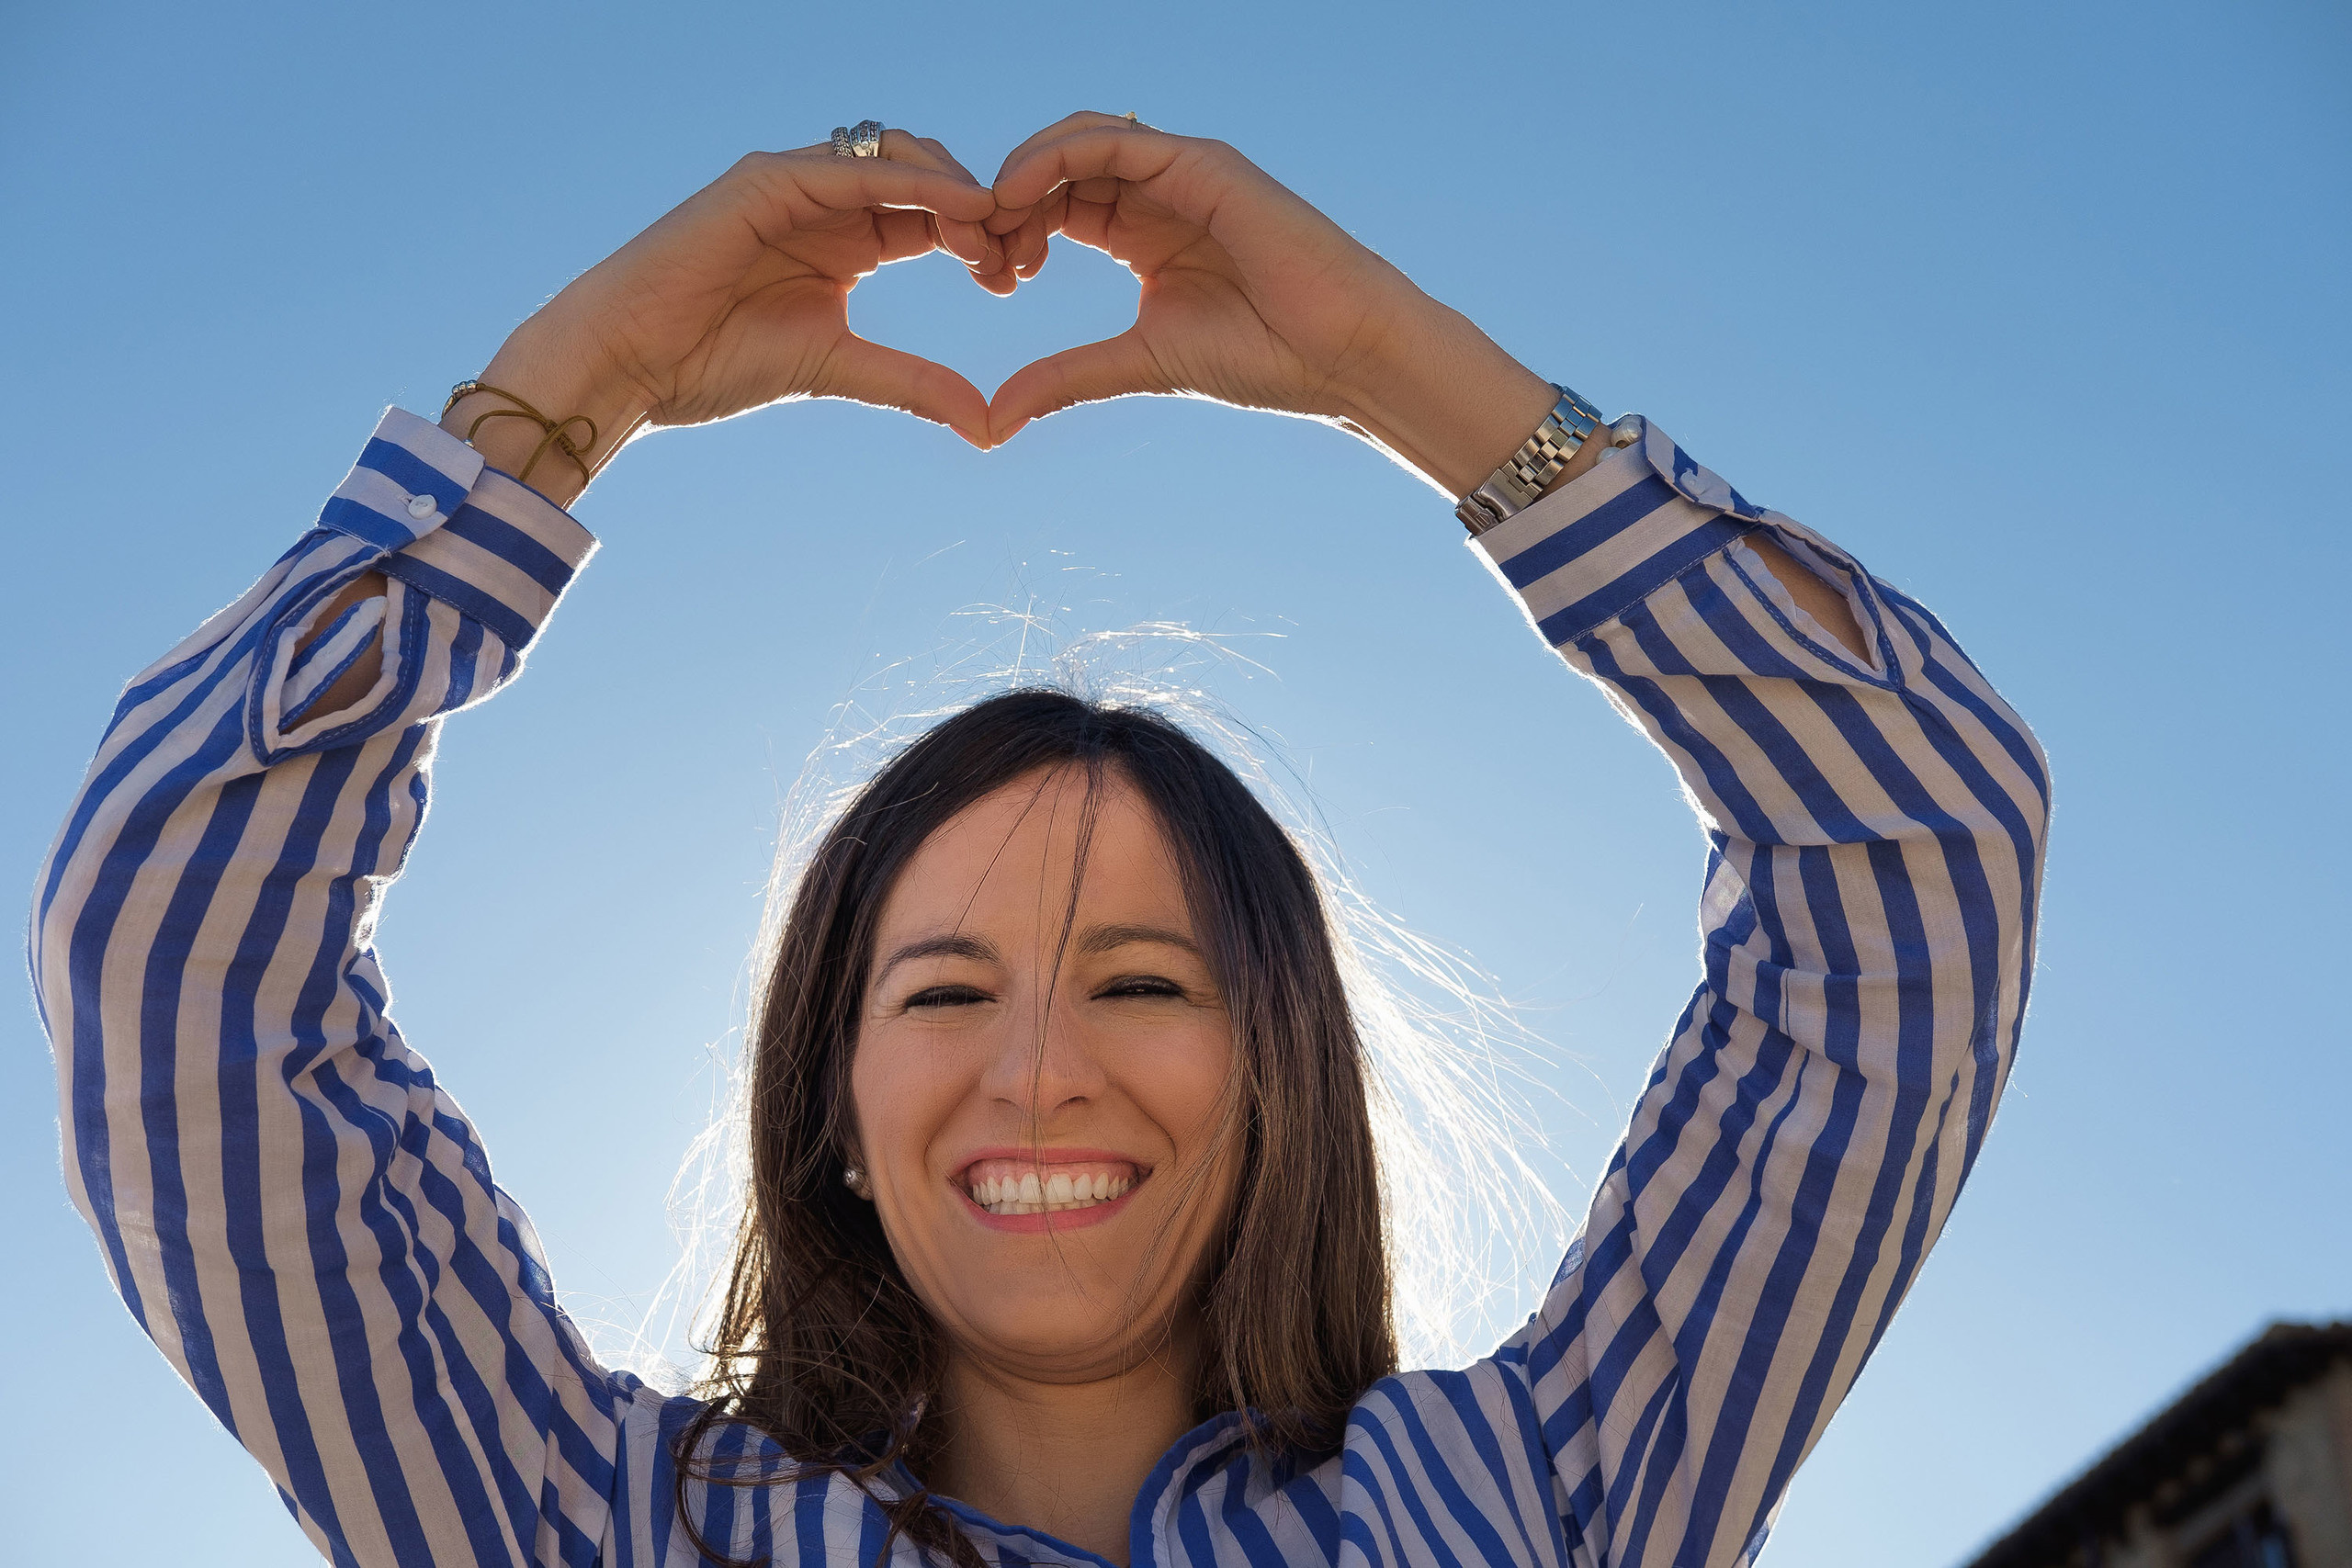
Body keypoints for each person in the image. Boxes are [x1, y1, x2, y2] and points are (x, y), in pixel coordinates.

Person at [31, 112, 2049, 1568]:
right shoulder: (593, 1523)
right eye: (939, 991)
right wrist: (568, 401)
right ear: (832, 1102)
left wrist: (1396, 371)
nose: (1038, 1066)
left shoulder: (1540, 1502)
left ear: (1276, 1068)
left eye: (1143, 980)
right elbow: (172, 951)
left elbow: (1914, 832)